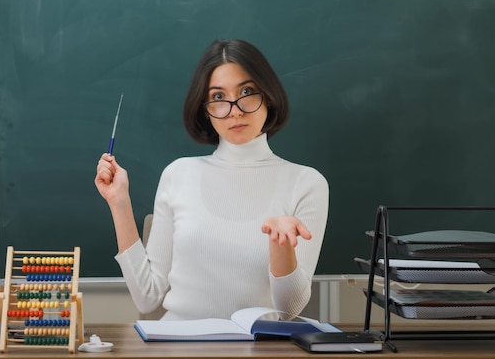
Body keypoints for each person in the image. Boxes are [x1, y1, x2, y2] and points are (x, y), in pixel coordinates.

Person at [95, 39, 329, 320]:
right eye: (218, 97)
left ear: (268, 95)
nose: (234, 110)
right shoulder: (178, 174)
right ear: (205, 109)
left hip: (258, 350)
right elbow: (147, 297)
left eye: (247, 91)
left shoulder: (306, 183)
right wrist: (119, 203)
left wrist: (281, 245)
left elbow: (288, 311)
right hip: (178, 346)